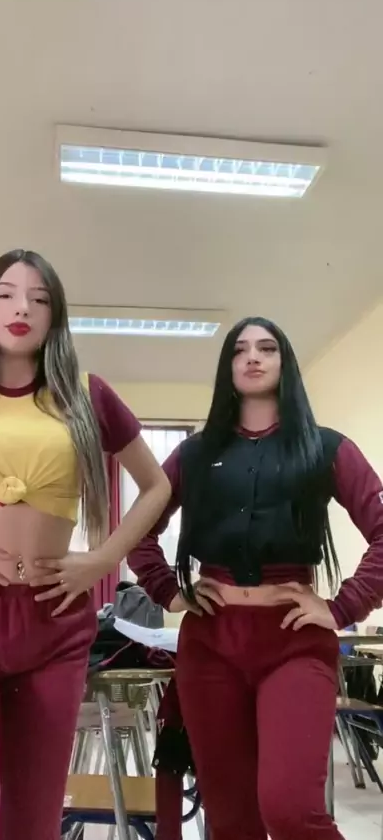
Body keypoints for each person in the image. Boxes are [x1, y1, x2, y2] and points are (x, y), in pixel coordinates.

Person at [0, 248, 171, 840]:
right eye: (5, 294)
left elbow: (157, 487)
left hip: (53, 624)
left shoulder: (87, 397)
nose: (21, 307)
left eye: (39, 298)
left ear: (56, 316)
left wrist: (104, 559)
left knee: (31, 825)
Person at [127, 317, 383, 840]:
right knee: (230, 819)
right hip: (210, 645)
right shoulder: (194, 455)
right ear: (227, 367)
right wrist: (169, 591)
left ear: (285, 363)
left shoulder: (327, 449)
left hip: (295, 643)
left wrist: (343, 606)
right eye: (239, 349)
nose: (252, 357)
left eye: (267, 348)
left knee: (290, 809)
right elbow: (135, 530)